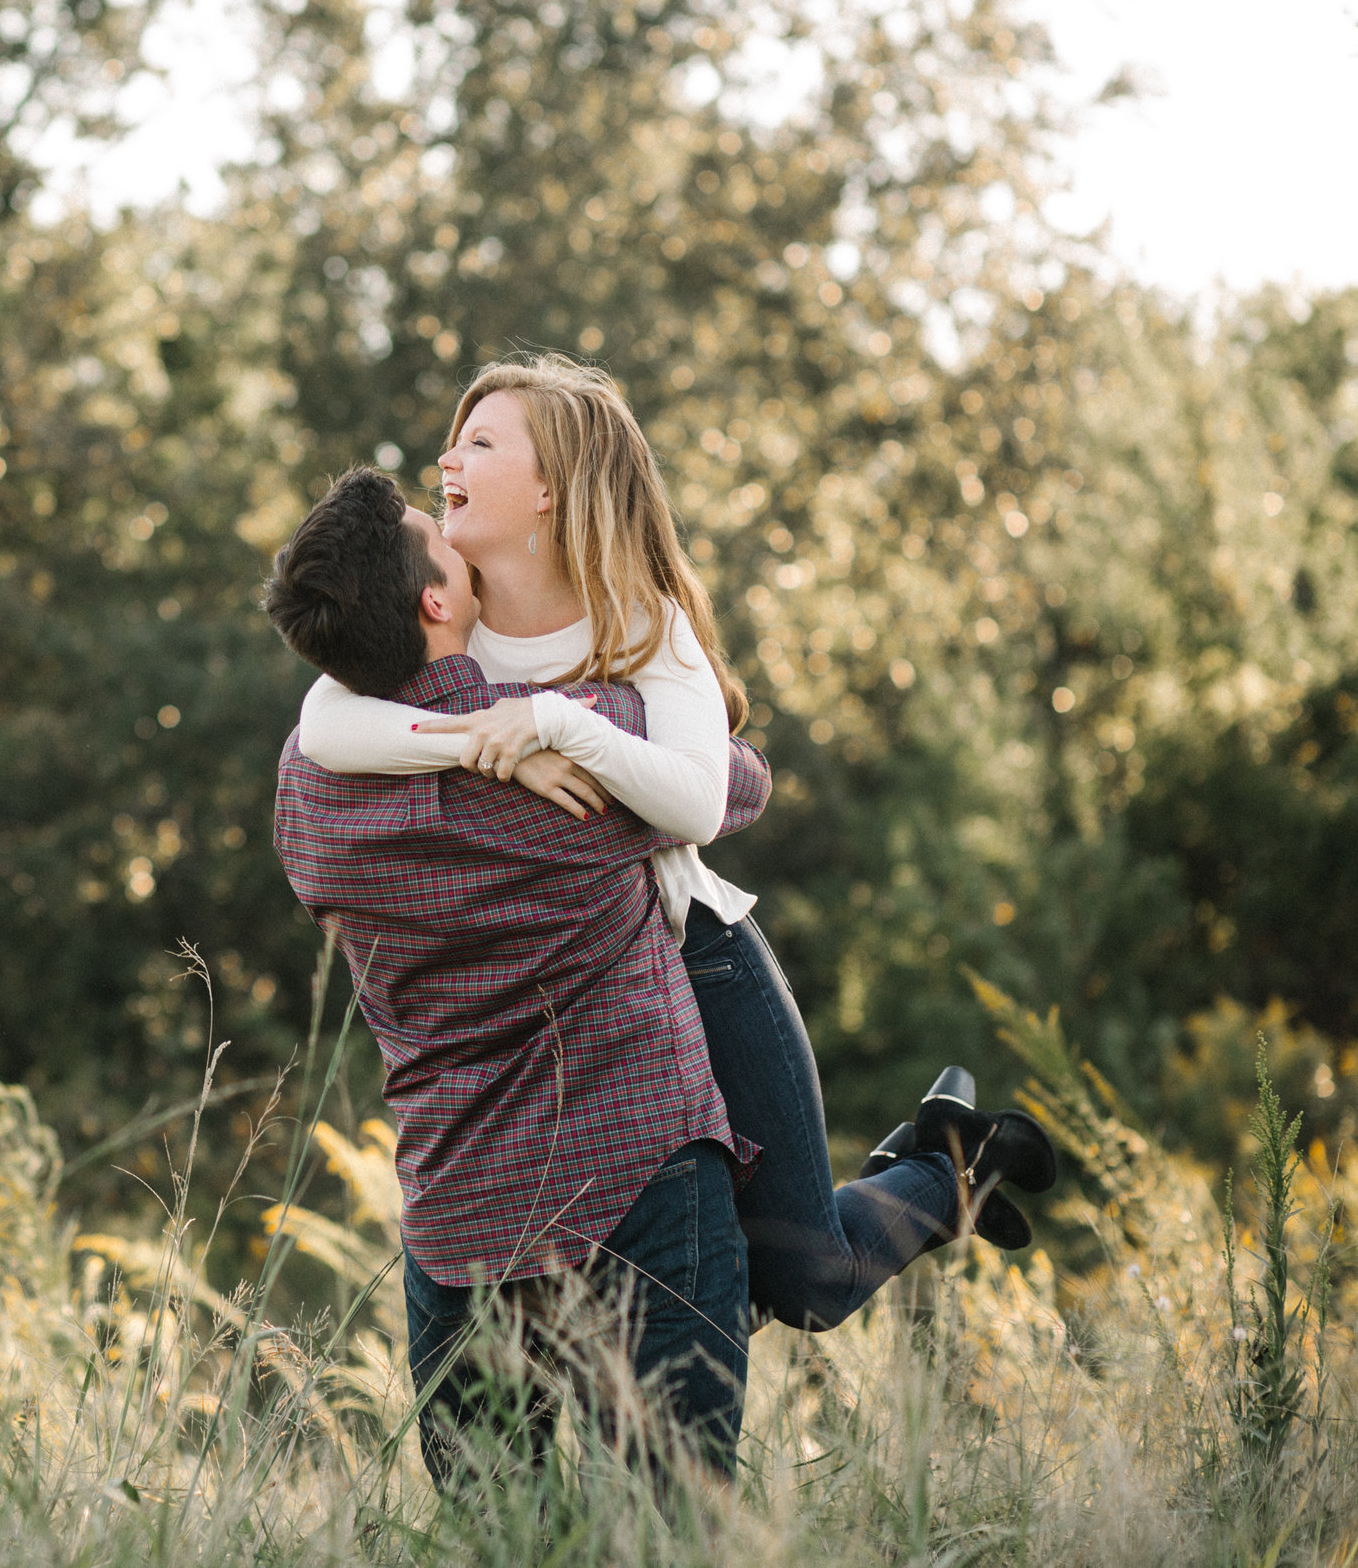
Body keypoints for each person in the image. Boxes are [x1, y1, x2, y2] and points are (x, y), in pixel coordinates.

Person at [296, 355, 1055, 1333]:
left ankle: (953, 1167)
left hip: (699, 955)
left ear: (550, 488)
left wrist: (559, 727)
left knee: (811, 1280)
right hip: (579, 992)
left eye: (479, 441)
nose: (446, 459)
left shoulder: (641, 624)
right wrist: (487, 744)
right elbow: (324, 725)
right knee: (703, 1279)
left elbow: (701, 802)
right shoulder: (447, 616)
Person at [265, 467, 774, 1484]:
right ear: (437, 602)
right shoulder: (566, 741)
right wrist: (581, 714)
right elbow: (736, 784)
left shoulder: (307, 791)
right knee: (675, 1521)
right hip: (640, 1171)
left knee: (503, 1534)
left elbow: (326, 722)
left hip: (456, 1213)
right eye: (439, 536)